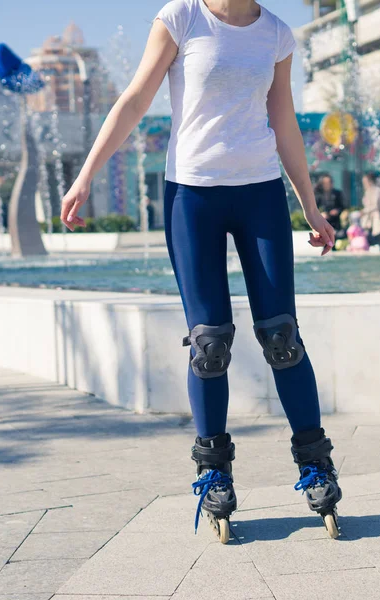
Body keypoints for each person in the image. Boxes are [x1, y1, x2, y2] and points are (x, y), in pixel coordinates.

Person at [59, 0, 342, 543]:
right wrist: (86, 174)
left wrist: (308, 203)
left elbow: (283, 119)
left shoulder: (277, 34)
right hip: (192, 195)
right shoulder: (181, 17)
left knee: (282, 335)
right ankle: (213, 471)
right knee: (209, 342)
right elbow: (137, 96)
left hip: (259, 193)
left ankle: (316, 465)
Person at [361, 172, 380, 251]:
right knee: (368, 239)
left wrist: (364, 211)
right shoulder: (367, 191)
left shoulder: (377, 191)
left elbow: (376, 205)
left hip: (377, 218)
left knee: (379, 239)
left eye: (365, 182)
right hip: (369, 220)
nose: (364, 184)